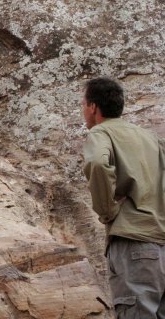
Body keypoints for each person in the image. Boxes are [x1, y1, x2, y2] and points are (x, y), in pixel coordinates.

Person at [82, 77, 165, 318]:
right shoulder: (149, 137)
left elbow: (97, 162)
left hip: (134, 243)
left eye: (83, 104)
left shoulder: (100, 133)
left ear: (93, 107)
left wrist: (107, 212)